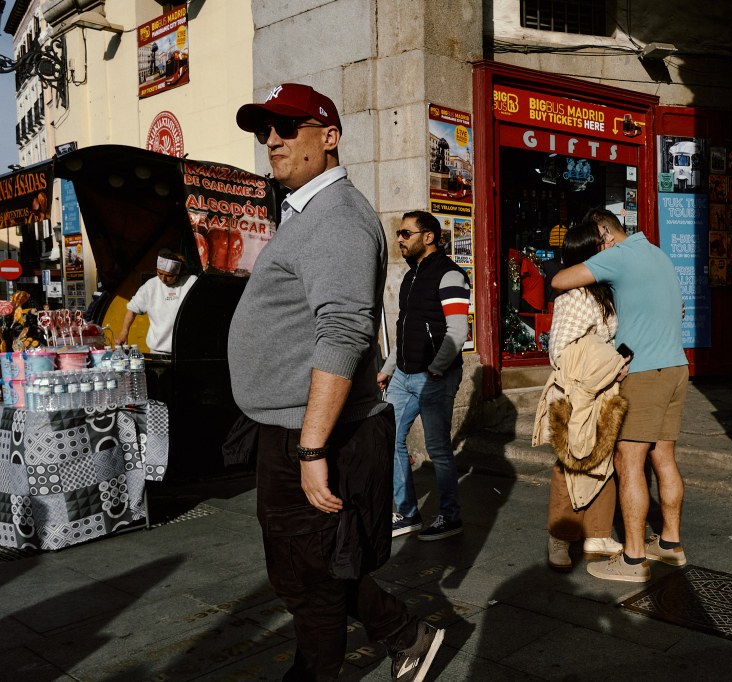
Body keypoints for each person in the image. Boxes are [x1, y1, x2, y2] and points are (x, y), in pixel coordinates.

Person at [228, 83, 443, 682]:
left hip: (316, 430)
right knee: (304, 569)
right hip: (289, 424)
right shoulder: (307, 211)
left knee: (313, 579)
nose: (271, 140)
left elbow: (344, 331)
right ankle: (406, 634)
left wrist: (313, 447)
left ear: (328, 138)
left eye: (287, 127)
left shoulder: (338, 216)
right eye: (264, 129)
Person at [552, 209, 689, 583]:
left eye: (597, 240)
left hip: (645, 374)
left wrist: (597, 261)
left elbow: (561, 279)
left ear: (604, 233)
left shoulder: (619, 254)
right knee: (664, 458)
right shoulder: (656, 253)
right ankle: (671, 544)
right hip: (677, 367)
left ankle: (633, 560)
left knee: (629, 463)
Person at [532, 221, 626, 572]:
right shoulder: (573, 297)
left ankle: (597, 534)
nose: (609, 246)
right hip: (573, 396)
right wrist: (610, 363)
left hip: (602, 393)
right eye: (602, 243)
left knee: (603, 462)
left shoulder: (604, 292)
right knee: (570, 465)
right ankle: (560, 537)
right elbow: (562, 351)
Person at [376, 210, 470, 541]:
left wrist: (435, 368)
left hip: (434, 376)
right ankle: (407, 513)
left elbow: (458, 331)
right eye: (399, 233)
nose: (399, 239)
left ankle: (450, 516)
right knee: (390, 439)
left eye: (406, 233)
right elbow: (405, 329)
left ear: (428, 237)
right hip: (403, 374)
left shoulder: (450, 275)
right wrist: (388, 369)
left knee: (438, 449)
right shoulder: (411, 276)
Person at [114, 249, 197, 354]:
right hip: (159, 352)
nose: (163, 278)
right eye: (160, 273)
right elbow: (132, 309)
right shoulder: (151, 286)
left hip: (186, 351)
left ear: (178, 273)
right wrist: (124, 332)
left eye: (169, 275)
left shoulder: (191, 282)